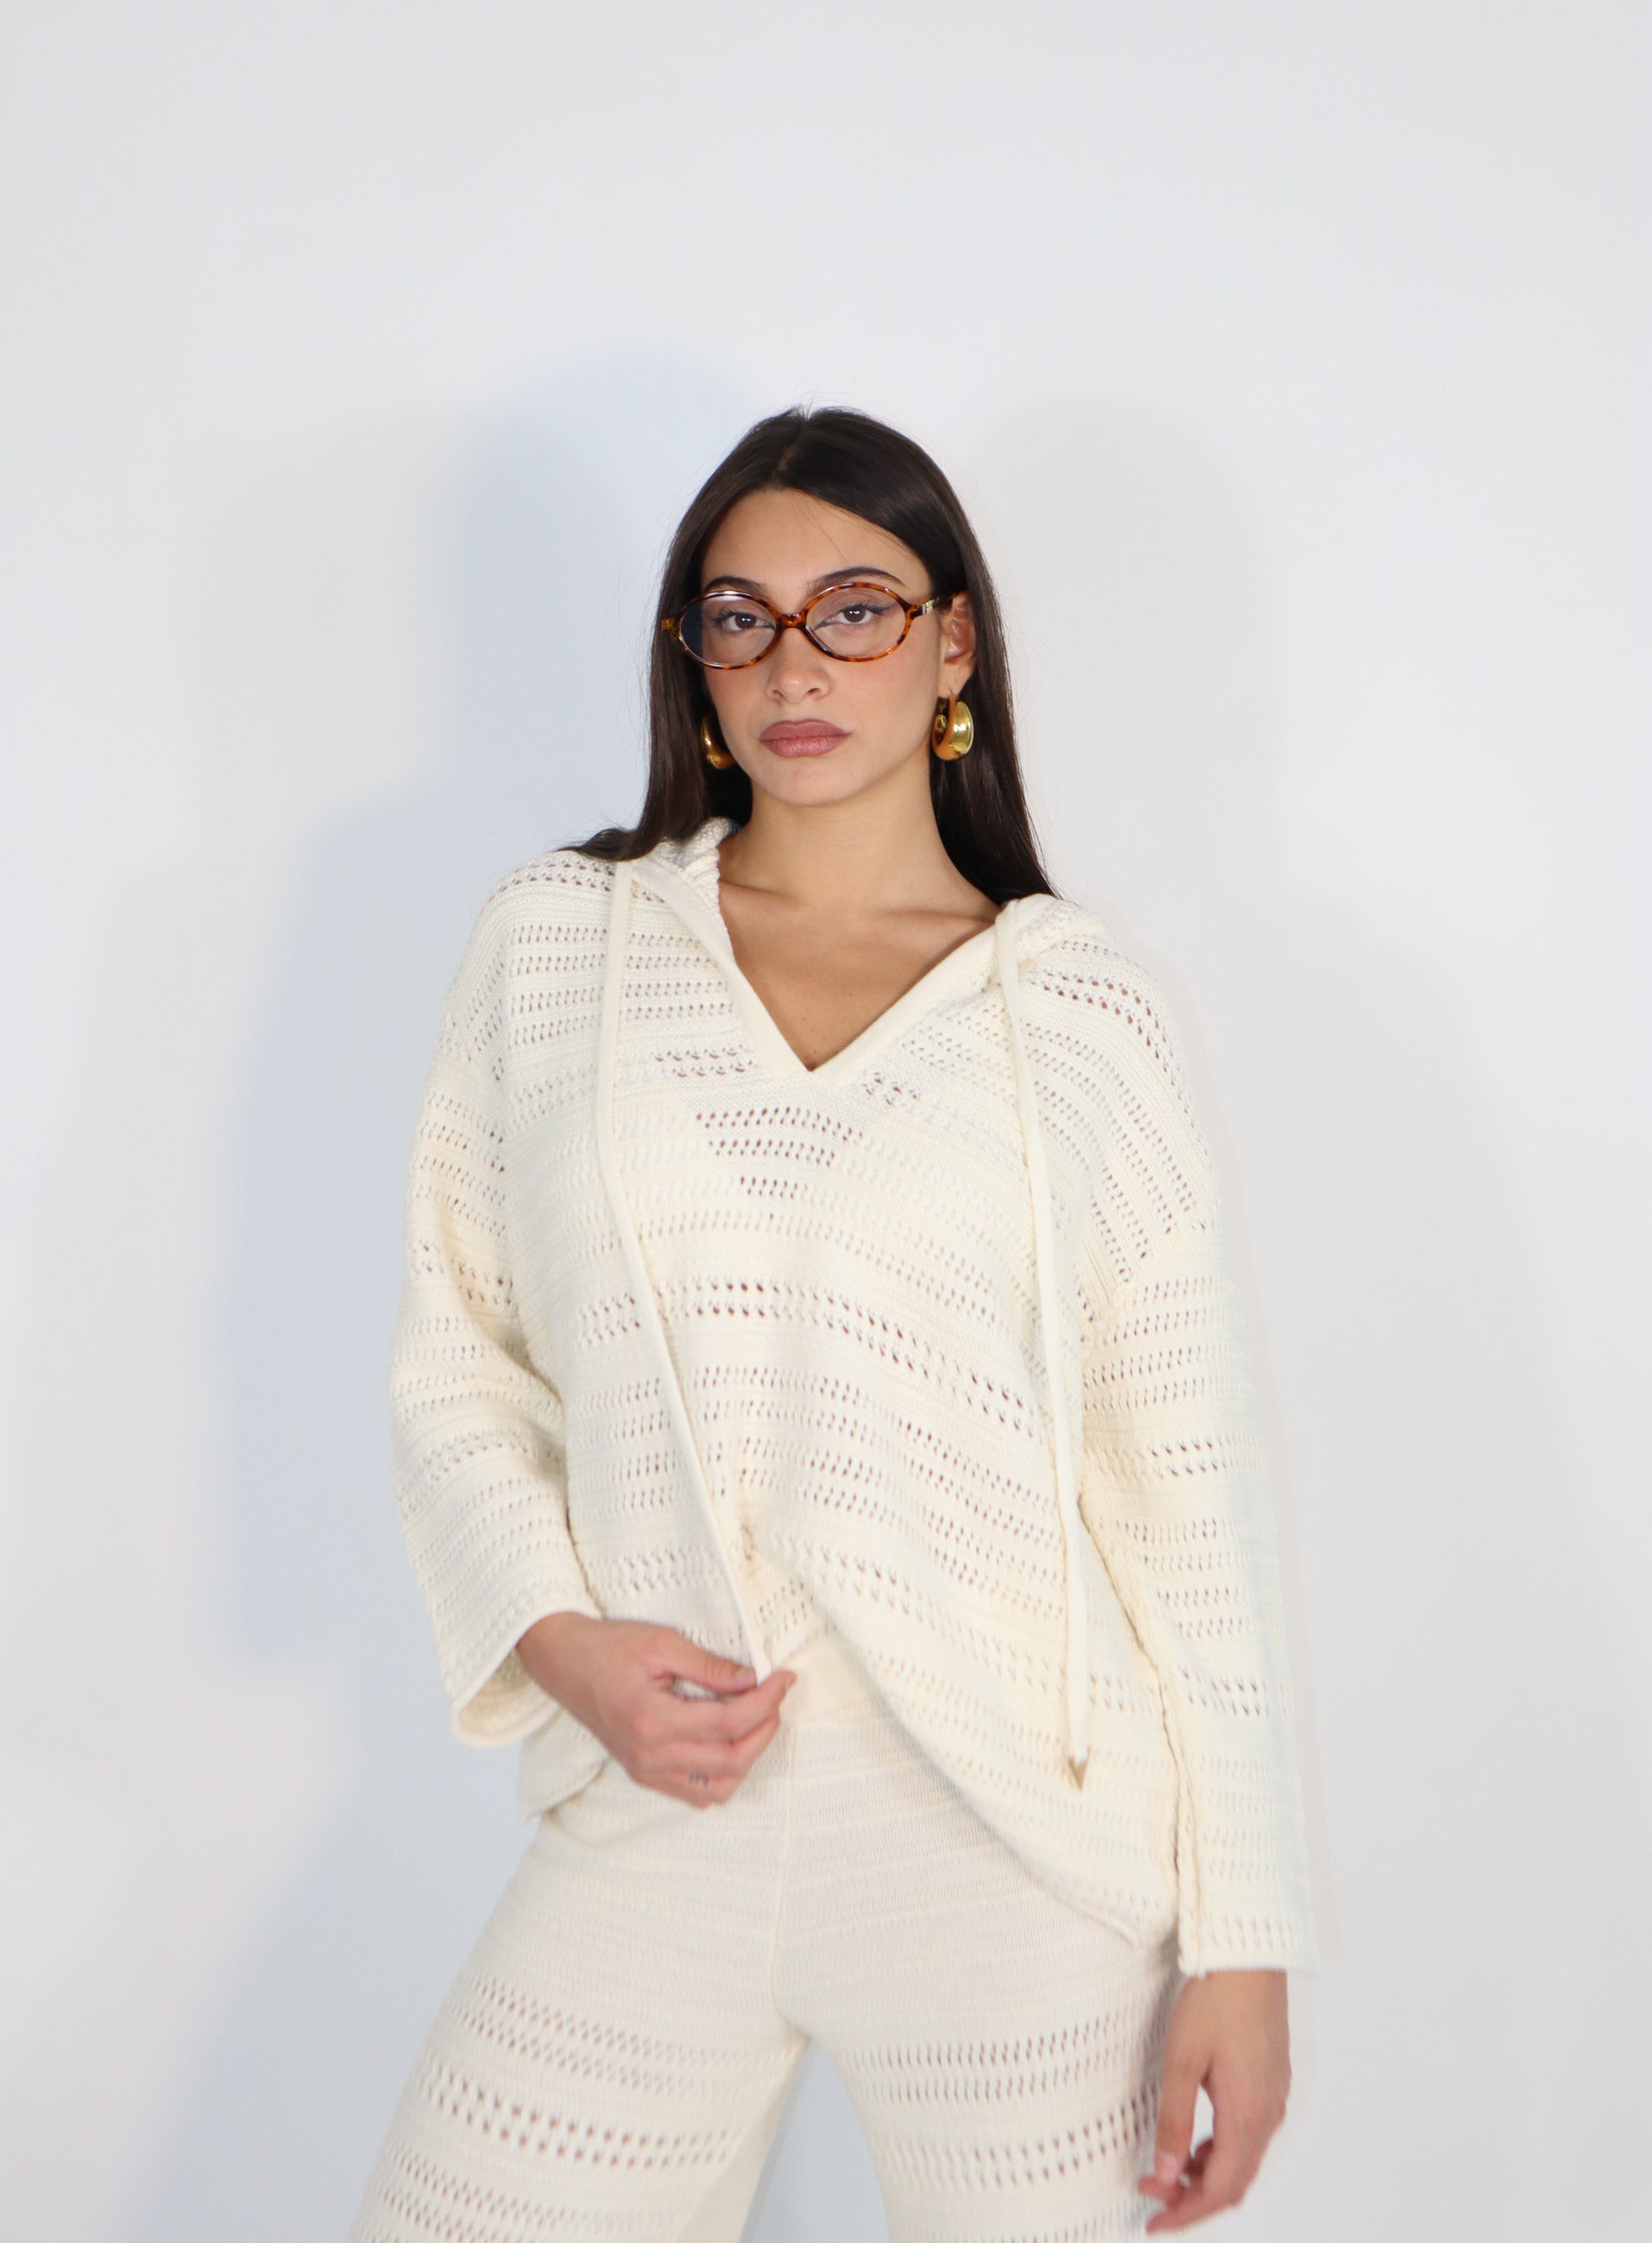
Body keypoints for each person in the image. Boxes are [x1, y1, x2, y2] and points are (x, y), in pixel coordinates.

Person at [348, 407, 1316, 2243]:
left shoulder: (1080, 1016)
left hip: (1014, 1851)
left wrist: (1244, 1945)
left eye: (855, 609)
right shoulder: (559, 946)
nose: (794, 664)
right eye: (741, 617)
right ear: (693, 658)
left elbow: (1188, 1506)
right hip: (660, 1807)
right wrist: (562, 1643)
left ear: (953, 645)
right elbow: (457, 1358)